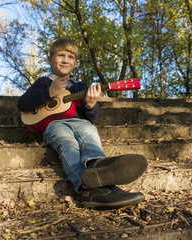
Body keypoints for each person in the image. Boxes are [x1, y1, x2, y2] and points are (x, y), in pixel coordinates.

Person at [17, 38, 147, 208]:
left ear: (76, 63)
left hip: (80, 123)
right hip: (54, 124)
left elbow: (91, 118)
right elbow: (22, 104)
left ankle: (96, 164)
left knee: (90, 132)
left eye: (70, 57)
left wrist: (91, 105)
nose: (65, 60)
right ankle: (88, 188)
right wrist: (50, 92)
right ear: (50, 59)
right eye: (61, 55)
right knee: (68, 144)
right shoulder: (43, 83)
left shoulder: (80, 87)